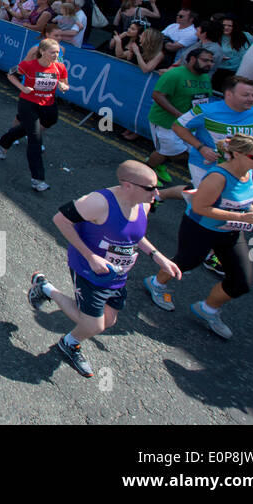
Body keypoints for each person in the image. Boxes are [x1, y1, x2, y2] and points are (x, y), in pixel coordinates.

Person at [29, 160, 179, 378]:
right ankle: (48, 294)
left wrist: (158, 256)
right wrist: (90, 257)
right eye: (150, 188)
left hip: (117, 275)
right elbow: (60, 220)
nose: (156, 193)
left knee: (109, 320)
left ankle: (64, 333)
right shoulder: (98, 203)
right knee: (93, 325)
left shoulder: (143, 204)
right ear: (128, 185)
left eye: (156, 187)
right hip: (90, 271)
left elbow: (134, 236)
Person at [143, 135, 253, 340]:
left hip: (230, 232)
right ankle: (156, 283)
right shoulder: (218, 177)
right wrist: (243, 216)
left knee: (241, 282)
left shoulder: (248, 173)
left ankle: (208, 310)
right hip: (200, 228)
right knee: (186, 263)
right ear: (237, 154)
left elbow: (242, 202)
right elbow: (200, 207)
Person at [0, 38, 69, 193]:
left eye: (57, 52)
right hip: (28, 104)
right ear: (42, 52)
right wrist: (22, 87)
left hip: (48, 105)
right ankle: (38, 179)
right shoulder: (28, 65)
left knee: (50, 121)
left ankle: (4, 141)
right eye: (52, 52)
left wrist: (63, 86)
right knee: (35, 139)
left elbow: (65, 84)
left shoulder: (60, 67)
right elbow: (10, 74)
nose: (56, 55)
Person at [145, 46, 214, 185]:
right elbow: (157, 95)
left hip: (190, 125)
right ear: (193, 59)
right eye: (205, 60)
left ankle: (158, 165)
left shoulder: (205, 77)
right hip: (166, 122)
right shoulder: (175, 74)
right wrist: (180, 115)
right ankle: (146, 172)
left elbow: (204, 99)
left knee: (183, 151)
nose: (209, 64)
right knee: (171, 151)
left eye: (211, 61)